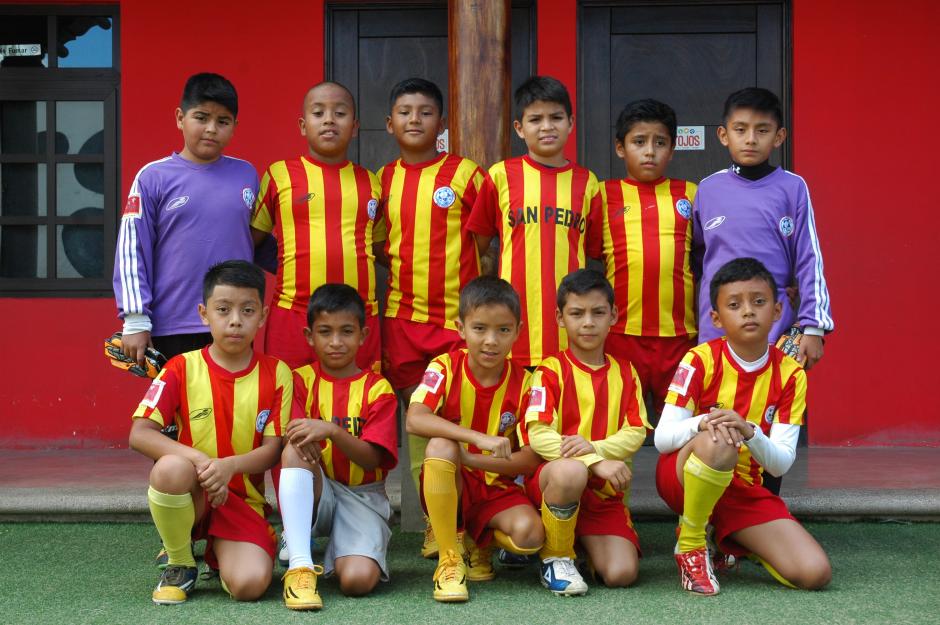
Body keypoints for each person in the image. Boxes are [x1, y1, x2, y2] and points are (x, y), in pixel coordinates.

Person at [654, 257, 831, 596]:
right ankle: (691, 544)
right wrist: (706, 421)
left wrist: (750, 430)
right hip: (683, 476)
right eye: (735, 305)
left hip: (743, 491)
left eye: (759, 301)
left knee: (815, 573)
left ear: (778, 311)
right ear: (717, 318)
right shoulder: (699, 360)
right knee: (719, 441)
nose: (748, 311)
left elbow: (779, 463)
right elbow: (663, 440)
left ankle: (731, 542)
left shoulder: (791, 374)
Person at [128, 260, 291, 605]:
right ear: (204, 314)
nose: (235, 320)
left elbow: (274, 450)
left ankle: (226, 550)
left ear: (262, 316)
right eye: (223, 309)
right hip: (196, 493)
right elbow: (140, 433)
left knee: (249, 587)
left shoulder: (277, 372)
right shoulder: (180, 367)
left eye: (247, 310)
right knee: (170, 468)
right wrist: (203, 462)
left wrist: (228, 467)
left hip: (241, 502)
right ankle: (180, 562)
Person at [375, 77, 486, 555]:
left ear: (441, 123)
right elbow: (380, 246)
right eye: (405, 111)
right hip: (401, 321)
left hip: (456, 325)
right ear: (389, 123)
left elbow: (485, 241)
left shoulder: (467, 174)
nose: (414, 119)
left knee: (458, 417)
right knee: (418, 420)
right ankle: (431, 521)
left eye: (424, 112)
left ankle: (468, 519)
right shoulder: (382, 179)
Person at [406, 276, 543, 602]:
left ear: (519, 332)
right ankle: (450, 560)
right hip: (452, 483)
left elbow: (530, 458)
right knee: (440, 446)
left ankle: (478, 545)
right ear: (461, 328)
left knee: (531, 536)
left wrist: (470, 457)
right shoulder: (445, 365)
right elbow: (415, 418)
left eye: (503, 330)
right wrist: (477, 439)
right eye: (479, 328)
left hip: (496, 489)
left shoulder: (527, 383)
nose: (491, 341)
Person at [114, 72, 257, 369]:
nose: (211, 129)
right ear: (180, 118)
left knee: (233, 412)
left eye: (223, 121)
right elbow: (132, 250)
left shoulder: (248, 176)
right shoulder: (153, 177)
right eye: (201, 117)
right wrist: (135, 318)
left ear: (235, 127)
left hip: (234, 323)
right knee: (173, 414)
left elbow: (262, 240)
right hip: (173, 325)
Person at [520, 269, 649, 596]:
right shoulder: (550, 370)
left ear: (613, 316)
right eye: (577, 313)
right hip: (557, 485)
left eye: (598, 312)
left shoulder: (625, 372)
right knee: (570, 471)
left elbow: (636, 432)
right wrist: (593, 461)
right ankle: (555, 557)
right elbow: (538, 434)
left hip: (603, 499)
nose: (588, 322)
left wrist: (593, 447)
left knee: (621, 574)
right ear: (560, 318)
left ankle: (577, 545)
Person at [467, 75, 604, 368]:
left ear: (571, 122)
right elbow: (477, 246)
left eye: (556, 117)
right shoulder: (500, 175)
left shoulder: (587, 182)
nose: (546, 127)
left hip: (570, 327)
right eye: (535, 119)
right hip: (511, 325)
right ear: (519, 128)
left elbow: (593, 252)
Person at [693, 87, 833, 367]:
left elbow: (809, 258)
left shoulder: (792, 188)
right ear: (724, 135)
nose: (751, 139)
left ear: (779, 137)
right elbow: (696, 261)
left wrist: (813, 326)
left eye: (762, 130)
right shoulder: (707, 190)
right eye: (740, 129)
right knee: (716, 409)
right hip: (715, 329)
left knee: (772, 407)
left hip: (774, 328)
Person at [278, 284, 398, 610]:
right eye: (325, 332)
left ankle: (341, 546)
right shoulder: (298, 380)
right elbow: (292, 440)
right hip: (319, 489)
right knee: (293, 451)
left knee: (357, 582)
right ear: (308, 336)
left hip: (364, 495)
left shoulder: (378, 388)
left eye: (346, 332)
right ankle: (300, 562)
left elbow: (374, 457)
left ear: (363, 334)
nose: (335, 342)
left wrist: (332, 431)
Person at [251, 82, 383, 372]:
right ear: (302, 125)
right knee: (289, 404)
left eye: (339, 113)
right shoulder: (279, 175)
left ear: (355, 125)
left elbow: (379, 248)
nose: (329, 120)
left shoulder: (372, 181)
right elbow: (250, 241)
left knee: (356, 406)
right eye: (318, 112)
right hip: (293, 315)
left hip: (358, 316)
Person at [601, 99, 698, 422]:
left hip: (679, 335)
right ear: (620, 147)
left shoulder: (691, 194)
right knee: (618, 423)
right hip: (621, 333)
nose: (650, 151)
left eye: (660, 143)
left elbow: (705, 254)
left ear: (672, 149)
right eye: (639, 142)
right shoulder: (602, 195)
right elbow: (589, 252)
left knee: (679, 428)